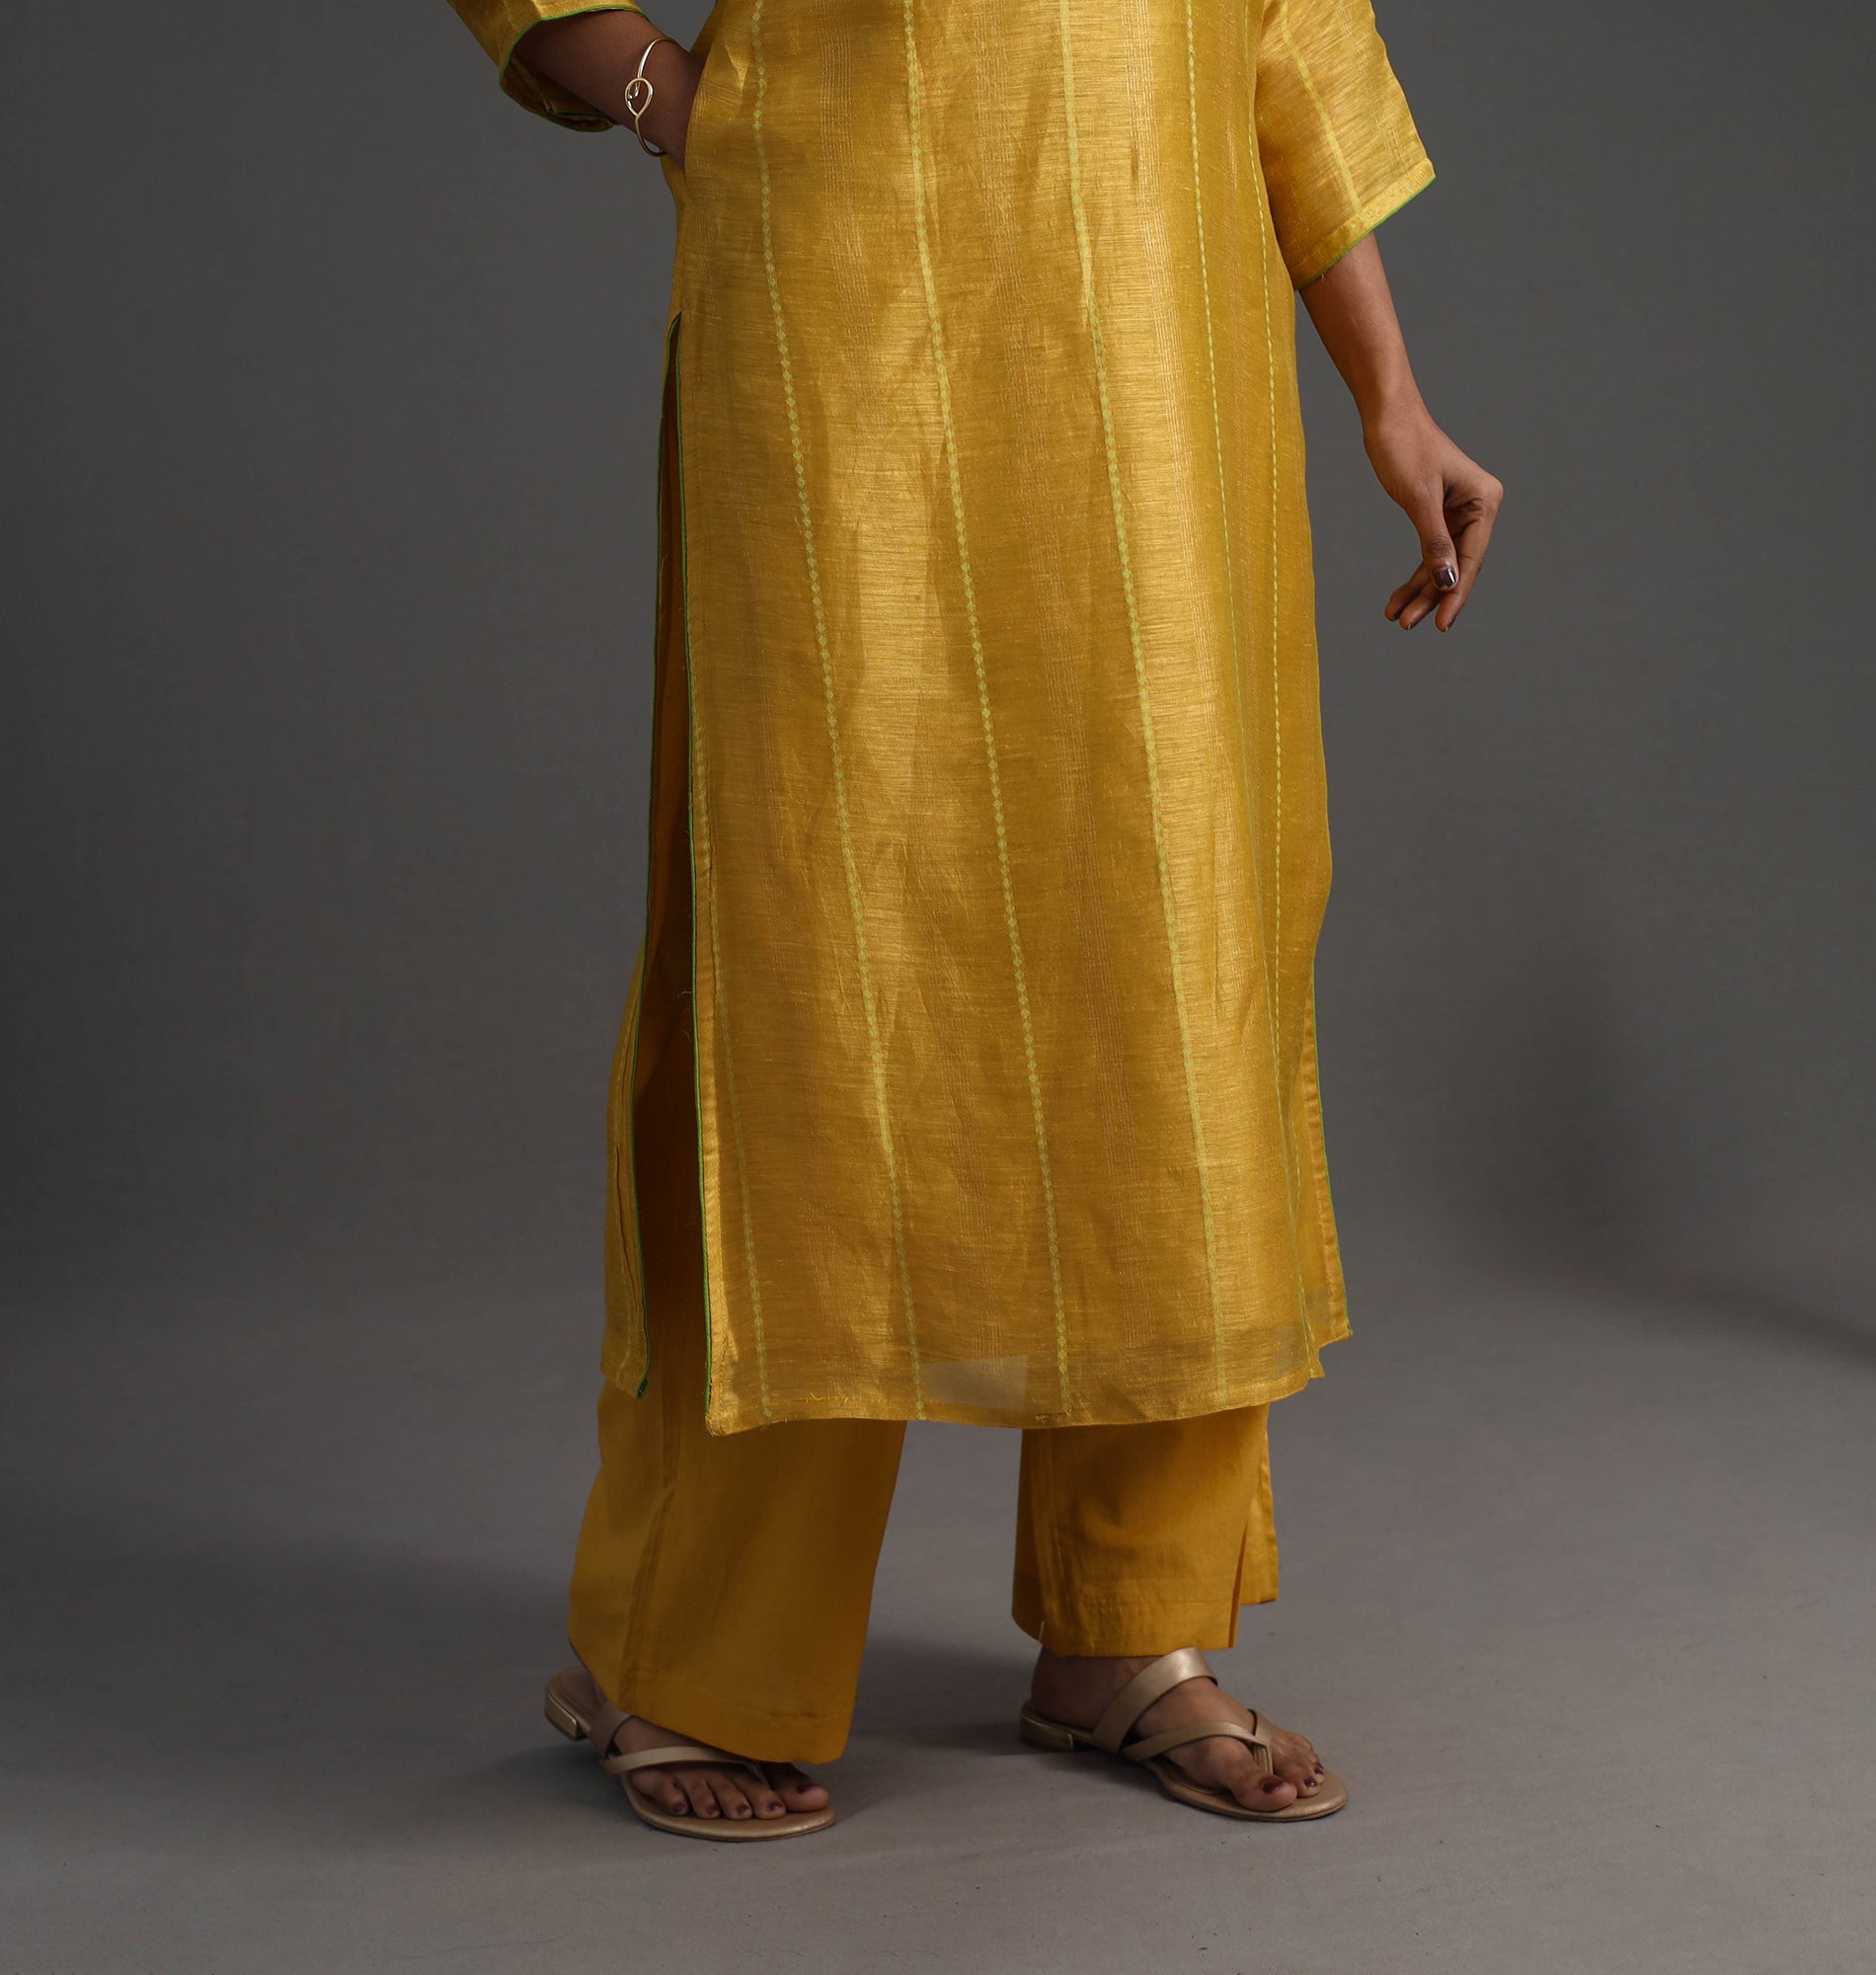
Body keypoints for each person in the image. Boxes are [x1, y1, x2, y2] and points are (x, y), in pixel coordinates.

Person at [445, 0, 1501, 1840]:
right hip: (847, 319)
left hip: (1167, 381)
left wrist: (1390, 395)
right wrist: (669, 99)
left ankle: (1129, 1629)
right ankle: (692, 1654)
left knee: (1173, 967)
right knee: (810, 974)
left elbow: (1286, 42)